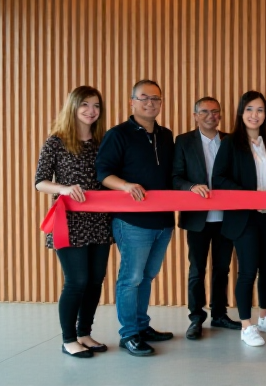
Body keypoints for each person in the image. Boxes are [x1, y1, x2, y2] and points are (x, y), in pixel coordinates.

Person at [95, 79, 176, 357]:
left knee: (148, 276)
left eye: (156, 98)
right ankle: (129, 334)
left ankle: (142, 326)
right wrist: (126, 186)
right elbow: (103, 173)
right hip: (131, 221)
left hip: (164, 221)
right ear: (132, 102)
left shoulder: (166, 135)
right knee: (131, 278)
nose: (150, 103)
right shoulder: (118, 134)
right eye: (144, 98)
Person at [34, 86, 111, 358]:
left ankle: (84, 333)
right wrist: (64, 189)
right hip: (69, 222)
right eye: (85, 105)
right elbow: (40, 182)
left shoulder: (103, 141)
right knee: (76, 280)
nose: (92, 111)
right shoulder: (56, 141)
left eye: (96, 106)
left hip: (100, 221)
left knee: (95, 280)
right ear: (73, 107)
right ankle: (68, 339)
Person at [211, 91, 266, 347]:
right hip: (244, 218)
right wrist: (249, 196)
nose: (255, 115)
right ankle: (246, 325)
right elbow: (218, 179)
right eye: (250, 109)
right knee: (247, 271)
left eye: (260, 110)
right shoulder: (230, 143)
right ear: (241, 113)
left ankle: (264, 316)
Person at [172, 96, 242, 341]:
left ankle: (220, 314)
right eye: (205, 112)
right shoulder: (183, 141)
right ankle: (195, 317)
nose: (211, 116)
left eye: (215, 112)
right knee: (197, 269)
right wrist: (190, 186)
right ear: (195, 116)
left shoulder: (231, 141)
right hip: (197, 218)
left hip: (226, 218)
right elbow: (175, 177)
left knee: (222, 268)